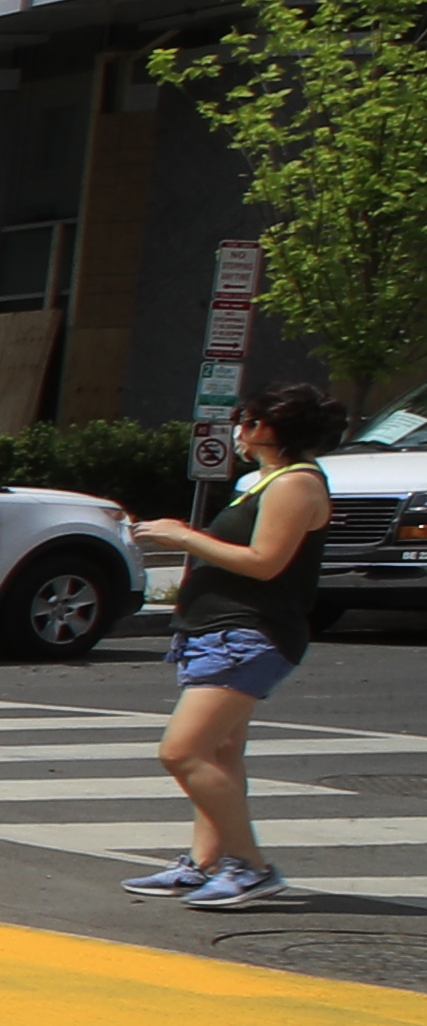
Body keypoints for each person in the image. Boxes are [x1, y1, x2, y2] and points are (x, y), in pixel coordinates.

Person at [133, 386, 343, 908]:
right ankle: (204, 863)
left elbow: (264, 561)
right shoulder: (265, 482)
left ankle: (251, 866)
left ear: (273, 430)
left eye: (247, 422)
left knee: (182, 751)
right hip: (218, 632)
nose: (239, 432)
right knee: (221, 753)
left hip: (249, 633)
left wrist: (183, 537)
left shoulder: (296, 484)